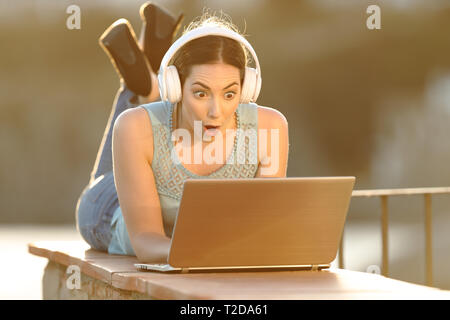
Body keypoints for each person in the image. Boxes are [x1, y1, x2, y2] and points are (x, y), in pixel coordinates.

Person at [75, 5, 289, 263]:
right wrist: (205, 254)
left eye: (230, 94)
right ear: (175, 89)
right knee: (131, 129)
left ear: (247, 90)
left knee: (139, 122)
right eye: (201, 93)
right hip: (109, 209)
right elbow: (146, 242)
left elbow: (263, 228)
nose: (215, 111)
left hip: (186, 231)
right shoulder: (135, 127)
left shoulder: (270, 128)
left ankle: (147, 84)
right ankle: (140, 87)